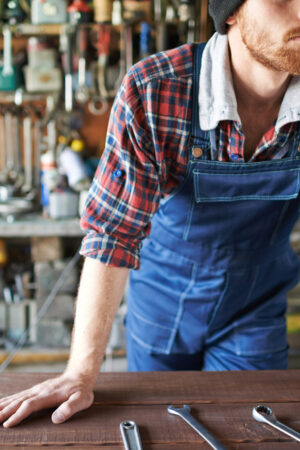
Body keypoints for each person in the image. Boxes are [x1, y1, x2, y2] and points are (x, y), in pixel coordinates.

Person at [1, 0, 300, 428]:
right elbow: (113, 232)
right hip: (163, 307)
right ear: (231, 11)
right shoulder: (156, 89)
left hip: (254, 308)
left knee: (255, 429)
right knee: (158, 428)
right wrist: (80, 373)